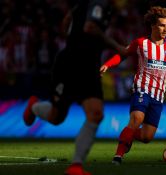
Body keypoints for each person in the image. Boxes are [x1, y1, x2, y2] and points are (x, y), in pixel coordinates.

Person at [23, 1, 125, 175]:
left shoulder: (86, 4)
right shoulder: (100, 2)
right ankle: (34, 107)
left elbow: (67, 20)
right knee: (57, 117)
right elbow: (90, 27)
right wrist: (116, 47)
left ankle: (76, 166)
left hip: (88, 65)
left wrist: (72, 39)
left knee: (95, 114)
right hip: (72, 64)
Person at [100, 6, 166, 165]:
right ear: (153, 25)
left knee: (147, 137)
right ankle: (118, 156)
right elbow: (123, 55)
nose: (165, 29)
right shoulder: (141, 43)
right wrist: (108, 65)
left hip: (159, 95)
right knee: (136, 119)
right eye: (161, 25)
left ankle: (128, 135)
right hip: (142, 89)